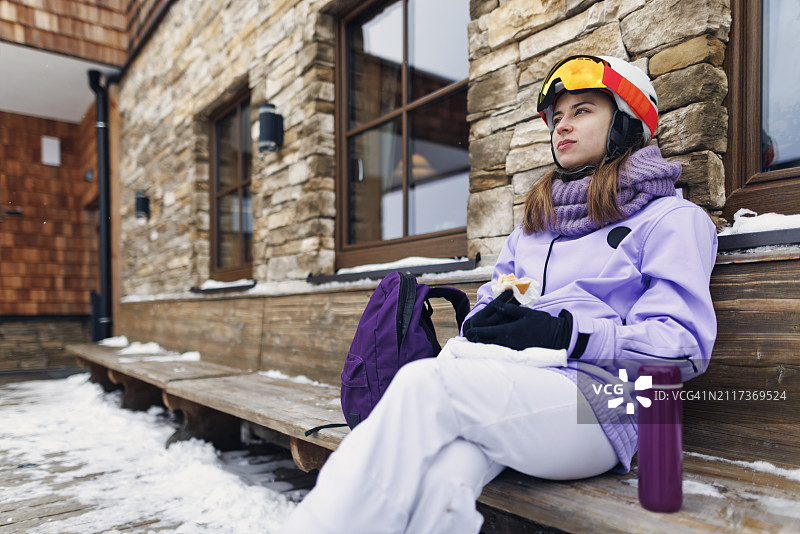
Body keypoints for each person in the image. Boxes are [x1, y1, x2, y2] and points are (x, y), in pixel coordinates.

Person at [281, 55, 718, 534]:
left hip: (608, 404)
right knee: (446, 477)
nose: (562, 127)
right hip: (514, 386)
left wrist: (569, 333)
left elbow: (683, 346)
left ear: (628, 121)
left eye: (583, 110)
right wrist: (485, 322)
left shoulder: (670, 221)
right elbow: (491, 305)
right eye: (557, 117)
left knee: (424, 384)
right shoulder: (534, 228)